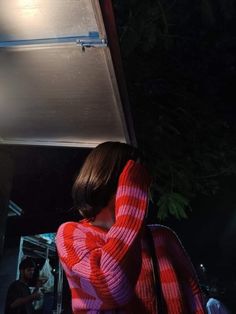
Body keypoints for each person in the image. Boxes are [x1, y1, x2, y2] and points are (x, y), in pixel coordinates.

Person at [56, 141, 206, 313]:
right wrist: (131, 204)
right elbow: (112, 288)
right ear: (107, 175)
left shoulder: (162, 237)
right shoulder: (72, 233)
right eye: (135, 175)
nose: (143, 184)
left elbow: (194, 300)